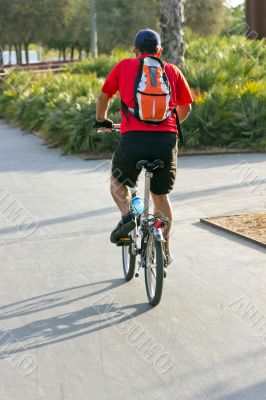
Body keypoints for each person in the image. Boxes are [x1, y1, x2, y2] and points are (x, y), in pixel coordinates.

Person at [94, 28, 193, 263]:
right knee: (161, 196)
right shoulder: (172, 70)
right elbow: (186, 107)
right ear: (159, 51)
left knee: (118, 184)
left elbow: (104, 96)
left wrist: (102, 121)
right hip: (166, 141)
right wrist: (168, 123)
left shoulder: (124, 66)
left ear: (135, 51)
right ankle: (165, 250)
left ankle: (127, 217)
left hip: (133, 139)